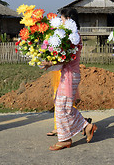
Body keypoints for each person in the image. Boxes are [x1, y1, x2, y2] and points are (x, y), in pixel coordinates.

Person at [42, 8, 97, 151]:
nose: (60, 21)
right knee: (62, 106)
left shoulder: (74, 36)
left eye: (62, 19)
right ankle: (86, 126)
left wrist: (50, 63)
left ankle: (65, 139)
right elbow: (63, 58)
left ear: (69, 19)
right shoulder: (71, 35)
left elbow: (66, 57)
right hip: (68, 74)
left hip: (70, 75)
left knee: (62, 107)